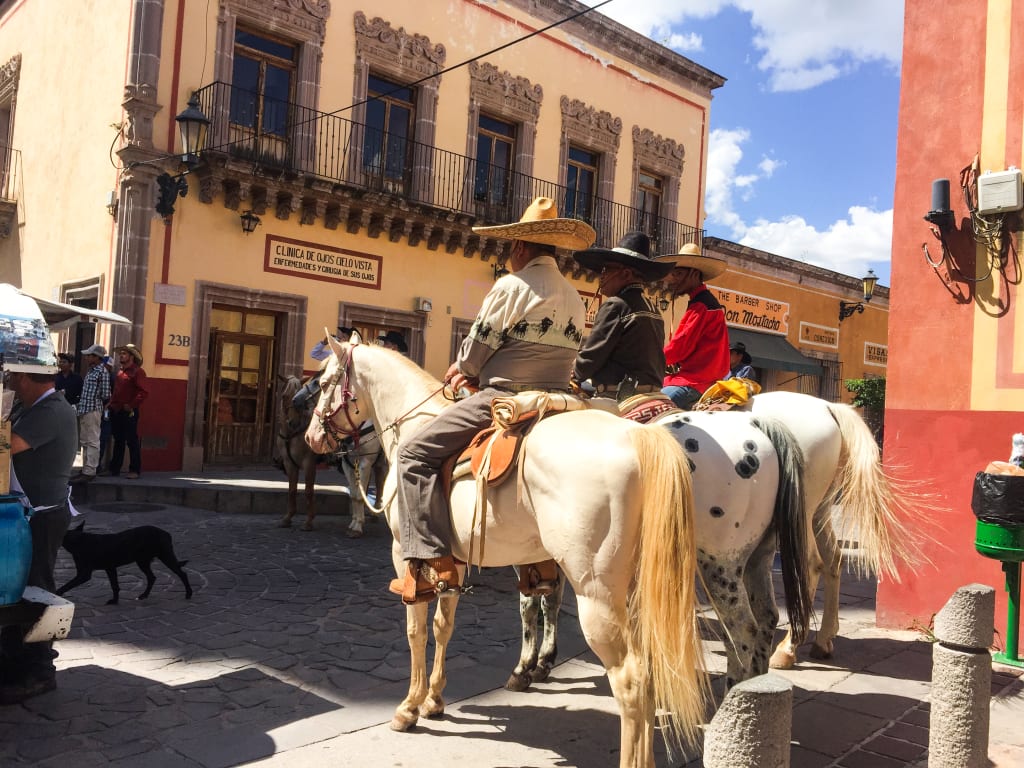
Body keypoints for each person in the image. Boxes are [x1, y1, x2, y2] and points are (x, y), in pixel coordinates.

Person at [390, 197, 593, 605]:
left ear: (520, 246)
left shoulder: (510, 286)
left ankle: (434, 564)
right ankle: (541, 563)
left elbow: (476, 349)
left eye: (510, 249)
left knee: (412, 454)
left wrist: (462, 367)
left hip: (505, 396)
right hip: (556, 399)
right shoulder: (575, 296)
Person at [0, 367, 78, 704]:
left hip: (43, 517)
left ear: (25, 378)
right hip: (26, 513)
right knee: (15, 590)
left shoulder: (52, 410)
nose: (11, 384)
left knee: (37, 589)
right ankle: (13, 658)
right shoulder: (30, 407)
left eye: (13, 378)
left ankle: (40, 670)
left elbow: (7, 443)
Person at [571, 231, 671, 401]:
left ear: (625, 274)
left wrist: (572, 371)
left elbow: (589, 360)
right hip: (653, 393)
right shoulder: (654, 310)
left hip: (619, 395)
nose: (601, 275)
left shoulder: (615, 305)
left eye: (607, 269)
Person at [657, 243, 730, 410]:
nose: (672, 280)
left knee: (652, 408)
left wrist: (651, 359)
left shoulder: (701, 306)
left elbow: (680, 347)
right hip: (702, 377)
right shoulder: (703, 302)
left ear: (694, 274)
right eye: (673, 274)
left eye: (678, 274)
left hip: (696, 380)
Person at [69, 344, 111, 484]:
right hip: (84, 409)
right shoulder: (91, 371)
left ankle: (90, 470)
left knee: (92, 440)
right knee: (85, 441)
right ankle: (86, 469)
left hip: (93, 409)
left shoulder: (102, 372)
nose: (87, 358)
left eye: (89, 356)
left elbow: (106, 394)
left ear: (96, 357)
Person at [105, 344, 148, 479]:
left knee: (132, 440)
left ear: (131, 356)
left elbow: (143, 392)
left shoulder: (138, 372)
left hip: (129, 411)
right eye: (121, 353)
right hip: (116, 410)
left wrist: (131, 405)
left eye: (124, 353)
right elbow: (116, 392)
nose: (121, 356)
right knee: (118, 440)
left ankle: (135, 470)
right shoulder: (120, 372)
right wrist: (110, 404)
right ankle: (114, 469)